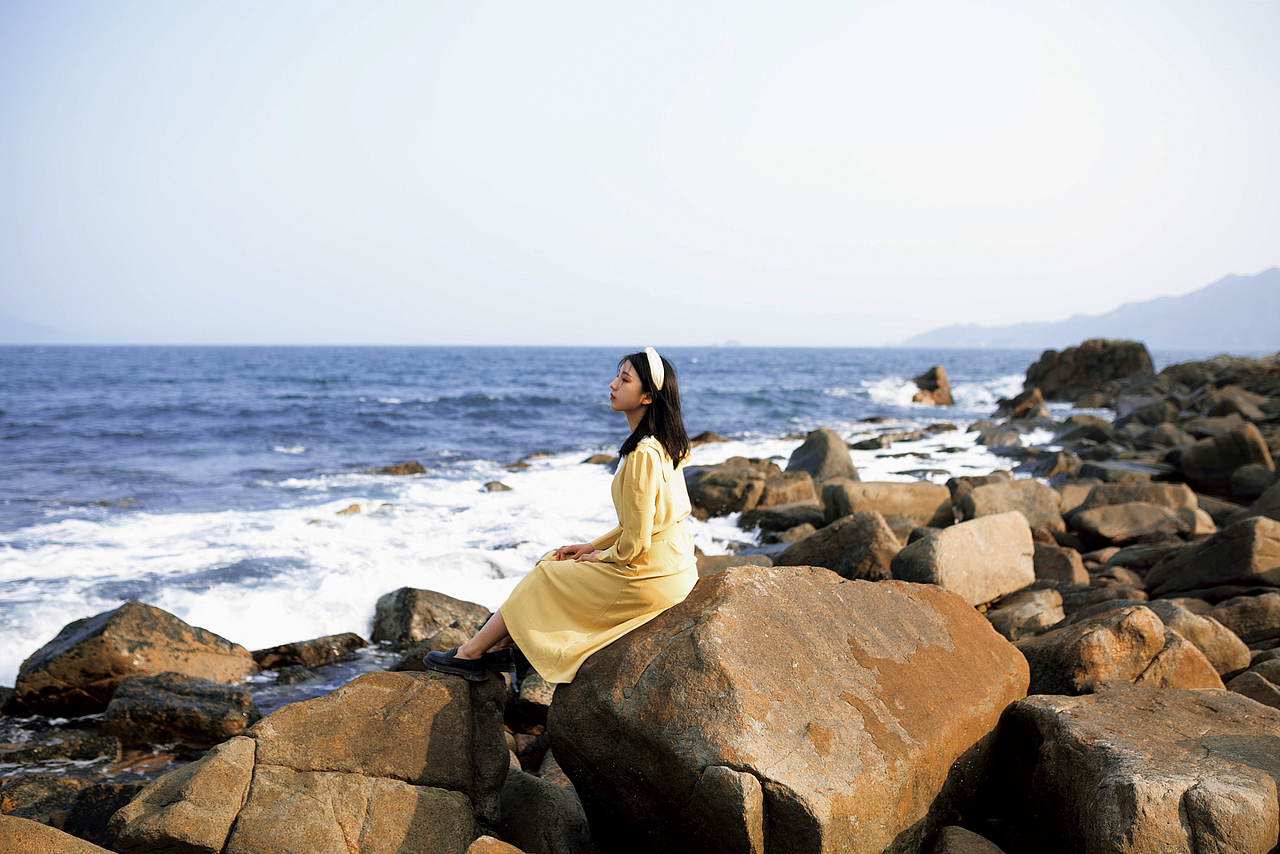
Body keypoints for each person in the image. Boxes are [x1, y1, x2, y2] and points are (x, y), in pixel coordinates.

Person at [424, 347, 698, 684]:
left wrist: (602, 556)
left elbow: (637, 540)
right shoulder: (665, 445)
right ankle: (499, 648)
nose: (612, 384)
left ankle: (470, 654)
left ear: (646, 397)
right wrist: (590, 546)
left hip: (650, 576)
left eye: (624, 379)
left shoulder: (643, 454)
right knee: (553, 560)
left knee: (545, 576)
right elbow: (648, 525)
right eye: (617, 376)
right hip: (675, 565)